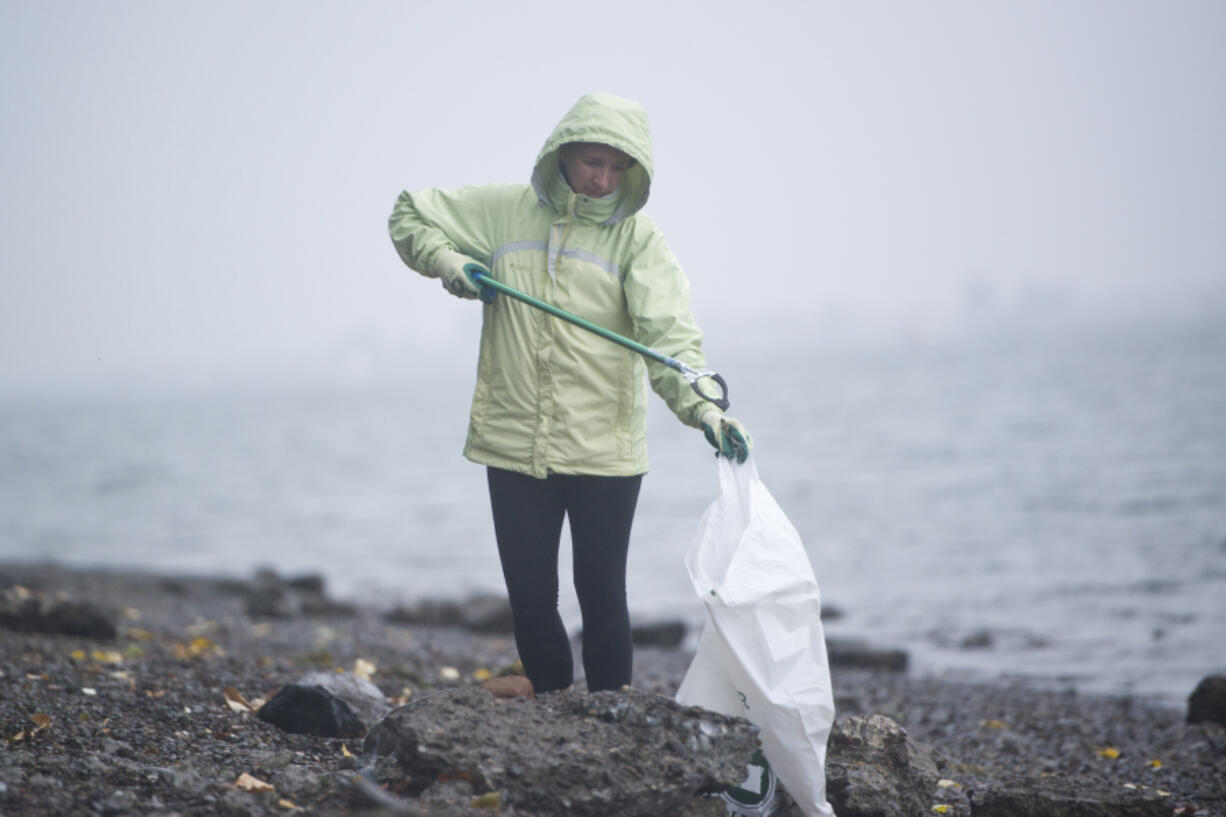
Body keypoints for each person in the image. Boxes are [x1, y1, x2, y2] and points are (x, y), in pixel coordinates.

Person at [388, 91, 751, 694]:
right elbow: (408, 214)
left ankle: (613, 716)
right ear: (563, 154)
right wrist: (451, 264)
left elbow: (670, 341)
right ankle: (550, 707)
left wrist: (705, 410)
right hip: (513, 444)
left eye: (617, 168)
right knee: (530, 596)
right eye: (592, 163)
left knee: (602, 595)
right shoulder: (504, 212)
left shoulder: (638, 240)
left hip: (605, 454)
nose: (604, 179)